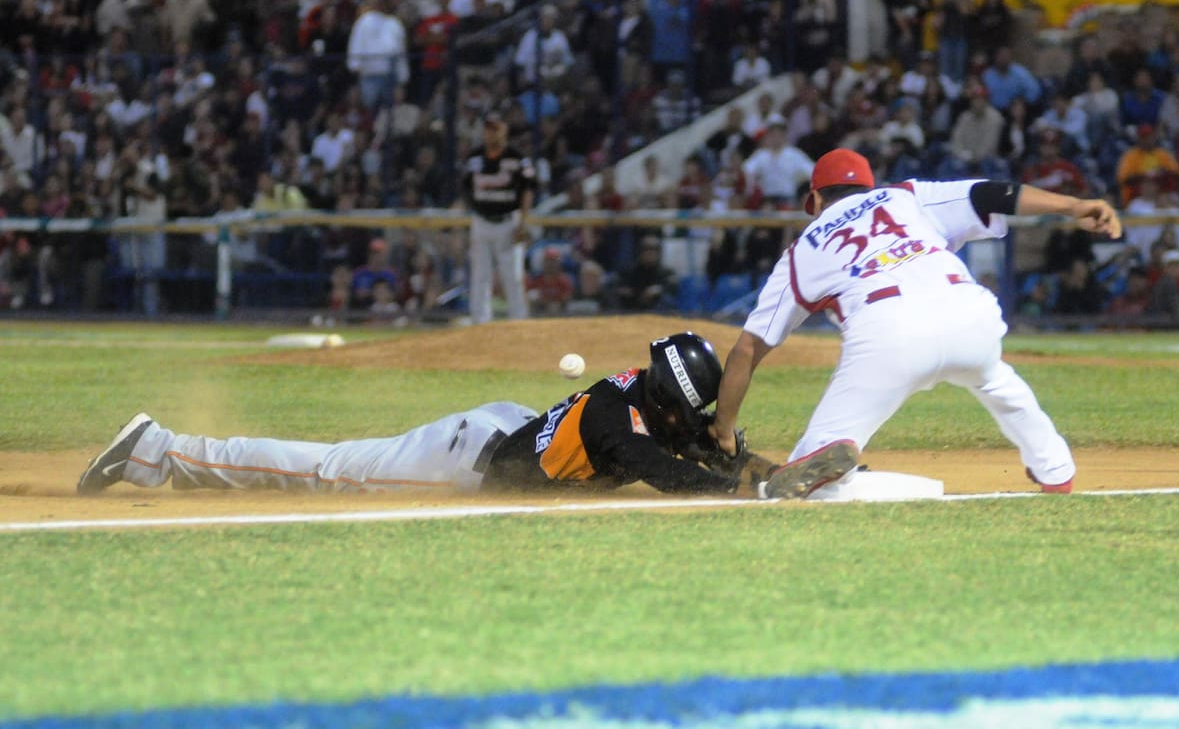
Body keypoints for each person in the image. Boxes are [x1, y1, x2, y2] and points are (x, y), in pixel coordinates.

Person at [708, 148, 1122, 499]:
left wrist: (724, 430)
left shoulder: (804, 248)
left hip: (888, 335)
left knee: (804, 478)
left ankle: (887, 484)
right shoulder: (905, 196)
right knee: (996, 379)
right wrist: (1072, 206)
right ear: (868, 187)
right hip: (969, 314)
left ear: (815, 199)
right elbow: (993, 193)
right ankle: (1056, 471)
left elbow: (748, 348)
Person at [78, 334, 757, 497]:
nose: (690, 422)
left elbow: (694, 442)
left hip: (515, 424)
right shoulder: (621, 425)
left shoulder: (644, 391)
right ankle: (155, 447)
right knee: (328, 469)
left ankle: (160, 448)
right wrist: (740, 489)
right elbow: (664, 469)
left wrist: (766, 469)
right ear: (666, 402)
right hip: (467, 460)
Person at [461, 112, 536, 324]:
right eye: (488, 128)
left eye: (495, 128)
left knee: (512, 275)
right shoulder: (474, 158)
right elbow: (466, 188)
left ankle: (519, 322)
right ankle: (480, 322)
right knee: (480, 275)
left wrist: (523, 222)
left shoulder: (517, 158)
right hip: (482, 221)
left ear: (504, 129)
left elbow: (528, 190)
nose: (490, 133)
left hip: (507, 222)